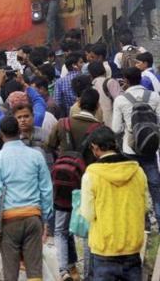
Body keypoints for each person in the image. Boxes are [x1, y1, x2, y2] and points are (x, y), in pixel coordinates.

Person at [0, 116, 53, 281]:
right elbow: (46, 189)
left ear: (1, 134)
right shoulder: (36, 156)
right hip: (33, 217)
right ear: (19, 131)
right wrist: (44, 218)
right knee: (34, 269)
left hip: (10, 221)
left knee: (11, 270)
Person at [45, 88, 101, 281]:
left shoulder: (63, 123)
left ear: (78, 104)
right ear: (96, 106)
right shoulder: (98, 129)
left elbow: (49, 146)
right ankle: (88, 273)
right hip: (87, 184)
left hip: (63, 183)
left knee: (60, 229)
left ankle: (63, 271)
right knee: (87, 230)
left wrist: (63, 157)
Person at [80, 126, 147, 280]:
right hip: (132, 248)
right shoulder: (138, 172)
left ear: (94, 148)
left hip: (104, 249)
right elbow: (145, 207)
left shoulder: (91, 175)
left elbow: (88, 214)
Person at [112, 67, 160, 224]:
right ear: (141, 78)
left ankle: (142, 221)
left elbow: (116, 128)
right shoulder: (154, 96)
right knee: (155, 185)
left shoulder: (120, 99)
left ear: (125, 80)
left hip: (130, 149)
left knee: (133, 186)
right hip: (150, 146)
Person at [54, 53, 84, 117]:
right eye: (81, 62)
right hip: (85, 114)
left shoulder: (60, 82)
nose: (83, 65)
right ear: (74, 65)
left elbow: (57, 102)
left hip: (69, 116)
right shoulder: (84, 78)